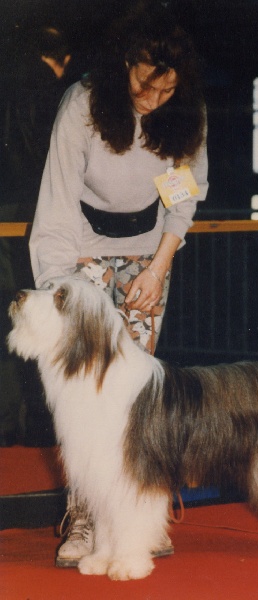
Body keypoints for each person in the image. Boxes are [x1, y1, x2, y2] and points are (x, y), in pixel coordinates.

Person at [29, 9, 208, 567]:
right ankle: (84, 518)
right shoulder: (83, 104)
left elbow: (182, 197)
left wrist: (157, 268)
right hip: (80, 248)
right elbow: (58, 200)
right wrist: (59, 286)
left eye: (166, 90)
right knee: (83, 399)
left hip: (148, 251)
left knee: (135, 402)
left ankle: (142, 514)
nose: (153, 100)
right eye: (144, 85)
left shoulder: (183, 112)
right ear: (125, 64)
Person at [0, 26, 79, 447]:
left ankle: (6, 423)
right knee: (40, 315)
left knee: (6, 313)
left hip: (3, 211)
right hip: (33, 213)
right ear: (64, 60)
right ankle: (38, 425)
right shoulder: (55, 91)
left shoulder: (7, 79)